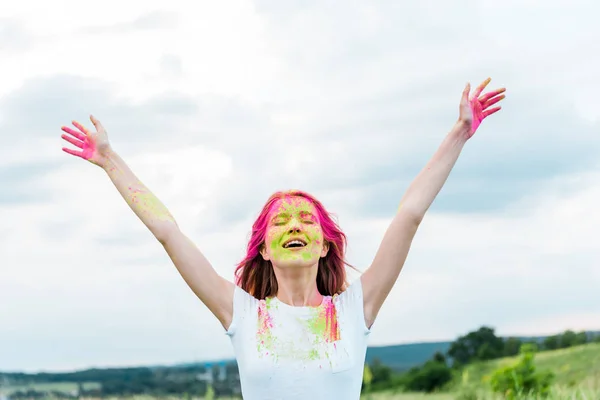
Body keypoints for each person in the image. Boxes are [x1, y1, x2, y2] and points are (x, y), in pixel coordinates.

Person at [60, 78, 505, 399]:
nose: (294, 225)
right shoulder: (242, 314)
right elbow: (167, 232)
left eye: (306, 219)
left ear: (326, 244)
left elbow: (409, 215)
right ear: (265, 249)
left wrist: (460, 133)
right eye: (281, 222)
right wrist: (109, 159)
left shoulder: (354, 309)